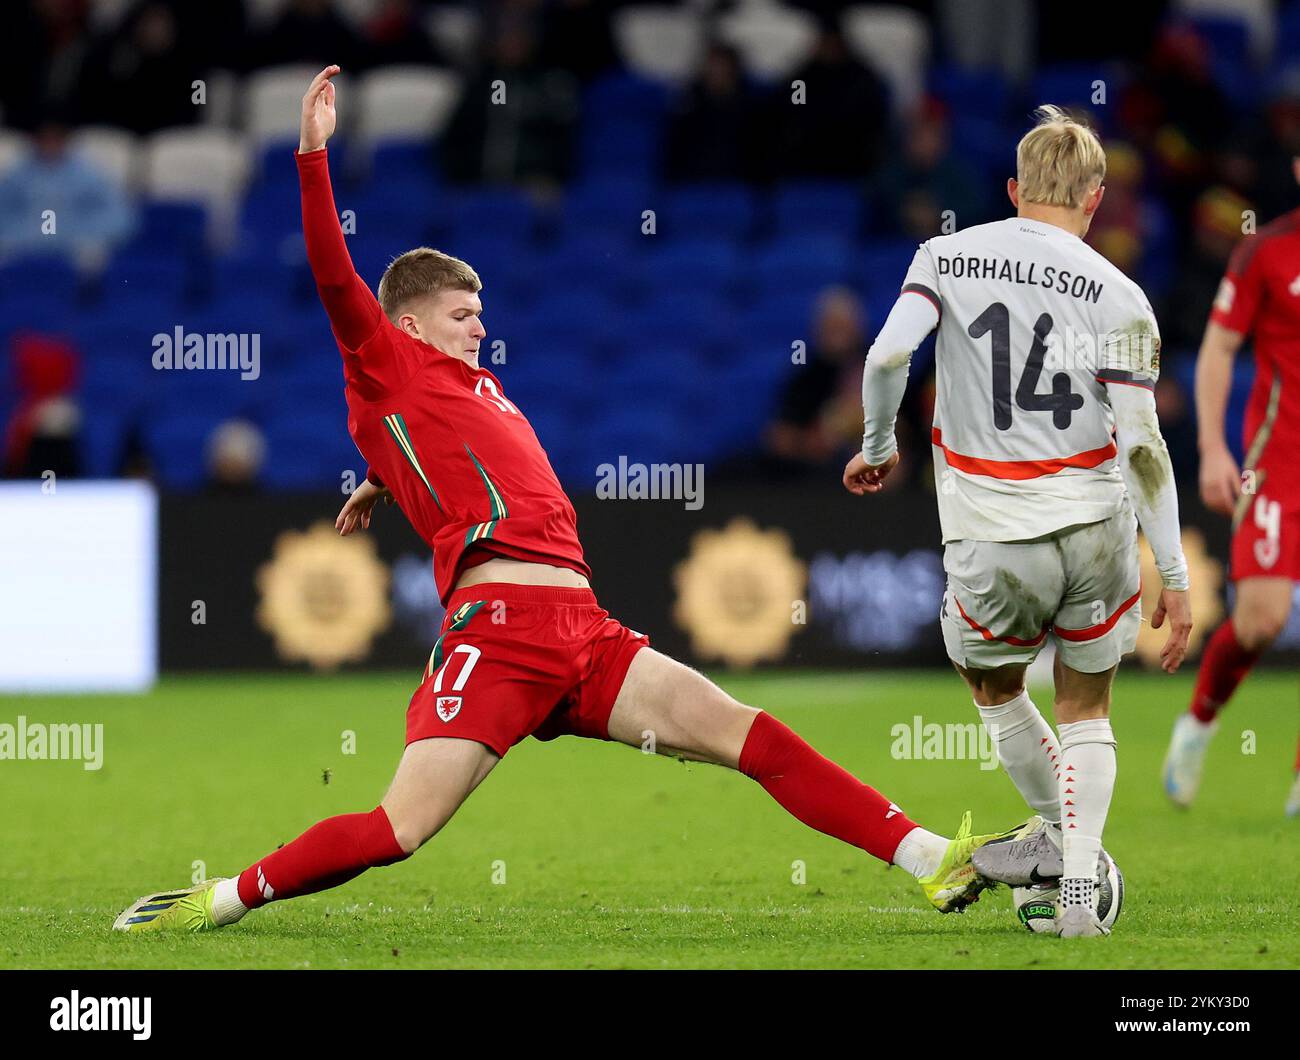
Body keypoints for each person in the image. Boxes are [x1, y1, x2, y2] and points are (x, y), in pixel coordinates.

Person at [114, 66, 1007, 935]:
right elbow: (334, 278)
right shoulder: (386, 361)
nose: (481, 326)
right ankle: (220, 897)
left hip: (581, 631)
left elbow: (455, 451)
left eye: (482, 311)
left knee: (745, 732)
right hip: (499, 633)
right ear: (413, 322)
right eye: (464, 314)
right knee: (400, 830)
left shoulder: (466, 388)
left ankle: (927, 856)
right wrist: (314, 158)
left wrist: (386, 477)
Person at [845, 106, 1192, 937]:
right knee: (1087, 710)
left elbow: (888, 354)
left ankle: (1061, 846)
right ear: (1097, 198)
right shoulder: (1122, 293)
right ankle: (1079, 885)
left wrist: (877, 442)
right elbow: (1144, 444)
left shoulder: (947, 254)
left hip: (993, 530)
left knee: (997, 691)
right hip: (1098, 524)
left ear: (1011, 189)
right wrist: (1173, 574)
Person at [1162, 156, 1300, 818]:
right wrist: (1217, 450)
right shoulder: (1264, 253)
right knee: (1260, 622)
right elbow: (1218, 350)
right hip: (1278, 466)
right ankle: (1199, 723)